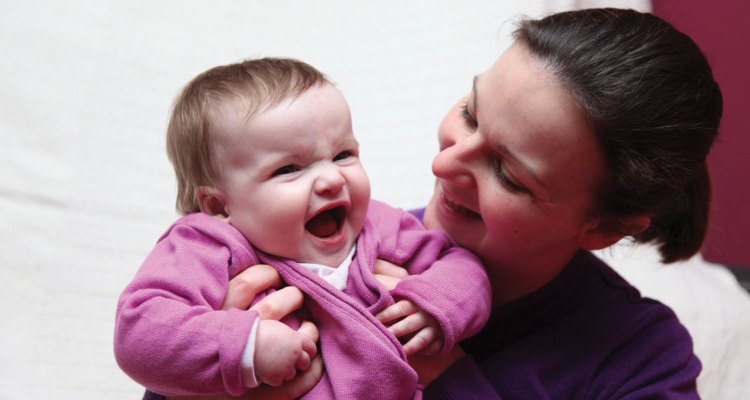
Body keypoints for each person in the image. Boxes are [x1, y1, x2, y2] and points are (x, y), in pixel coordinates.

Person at [161, 7, 722, 400]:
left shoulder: (643, 362)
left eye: (507, 172)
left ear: (601, 229)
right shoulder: (310, 249)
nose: (442, 165)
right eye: (471, 114)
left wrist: (441, 372)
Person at [114, 58, 491, 399]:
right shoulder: (209, 247)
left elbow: (462, 264)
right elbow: (140, 330)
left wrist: (440, 301)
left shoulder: (379, 225)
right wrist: (245, 347)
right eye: (289, 169)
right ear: (218, 205)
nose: (331, 179)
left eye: (343, 154)